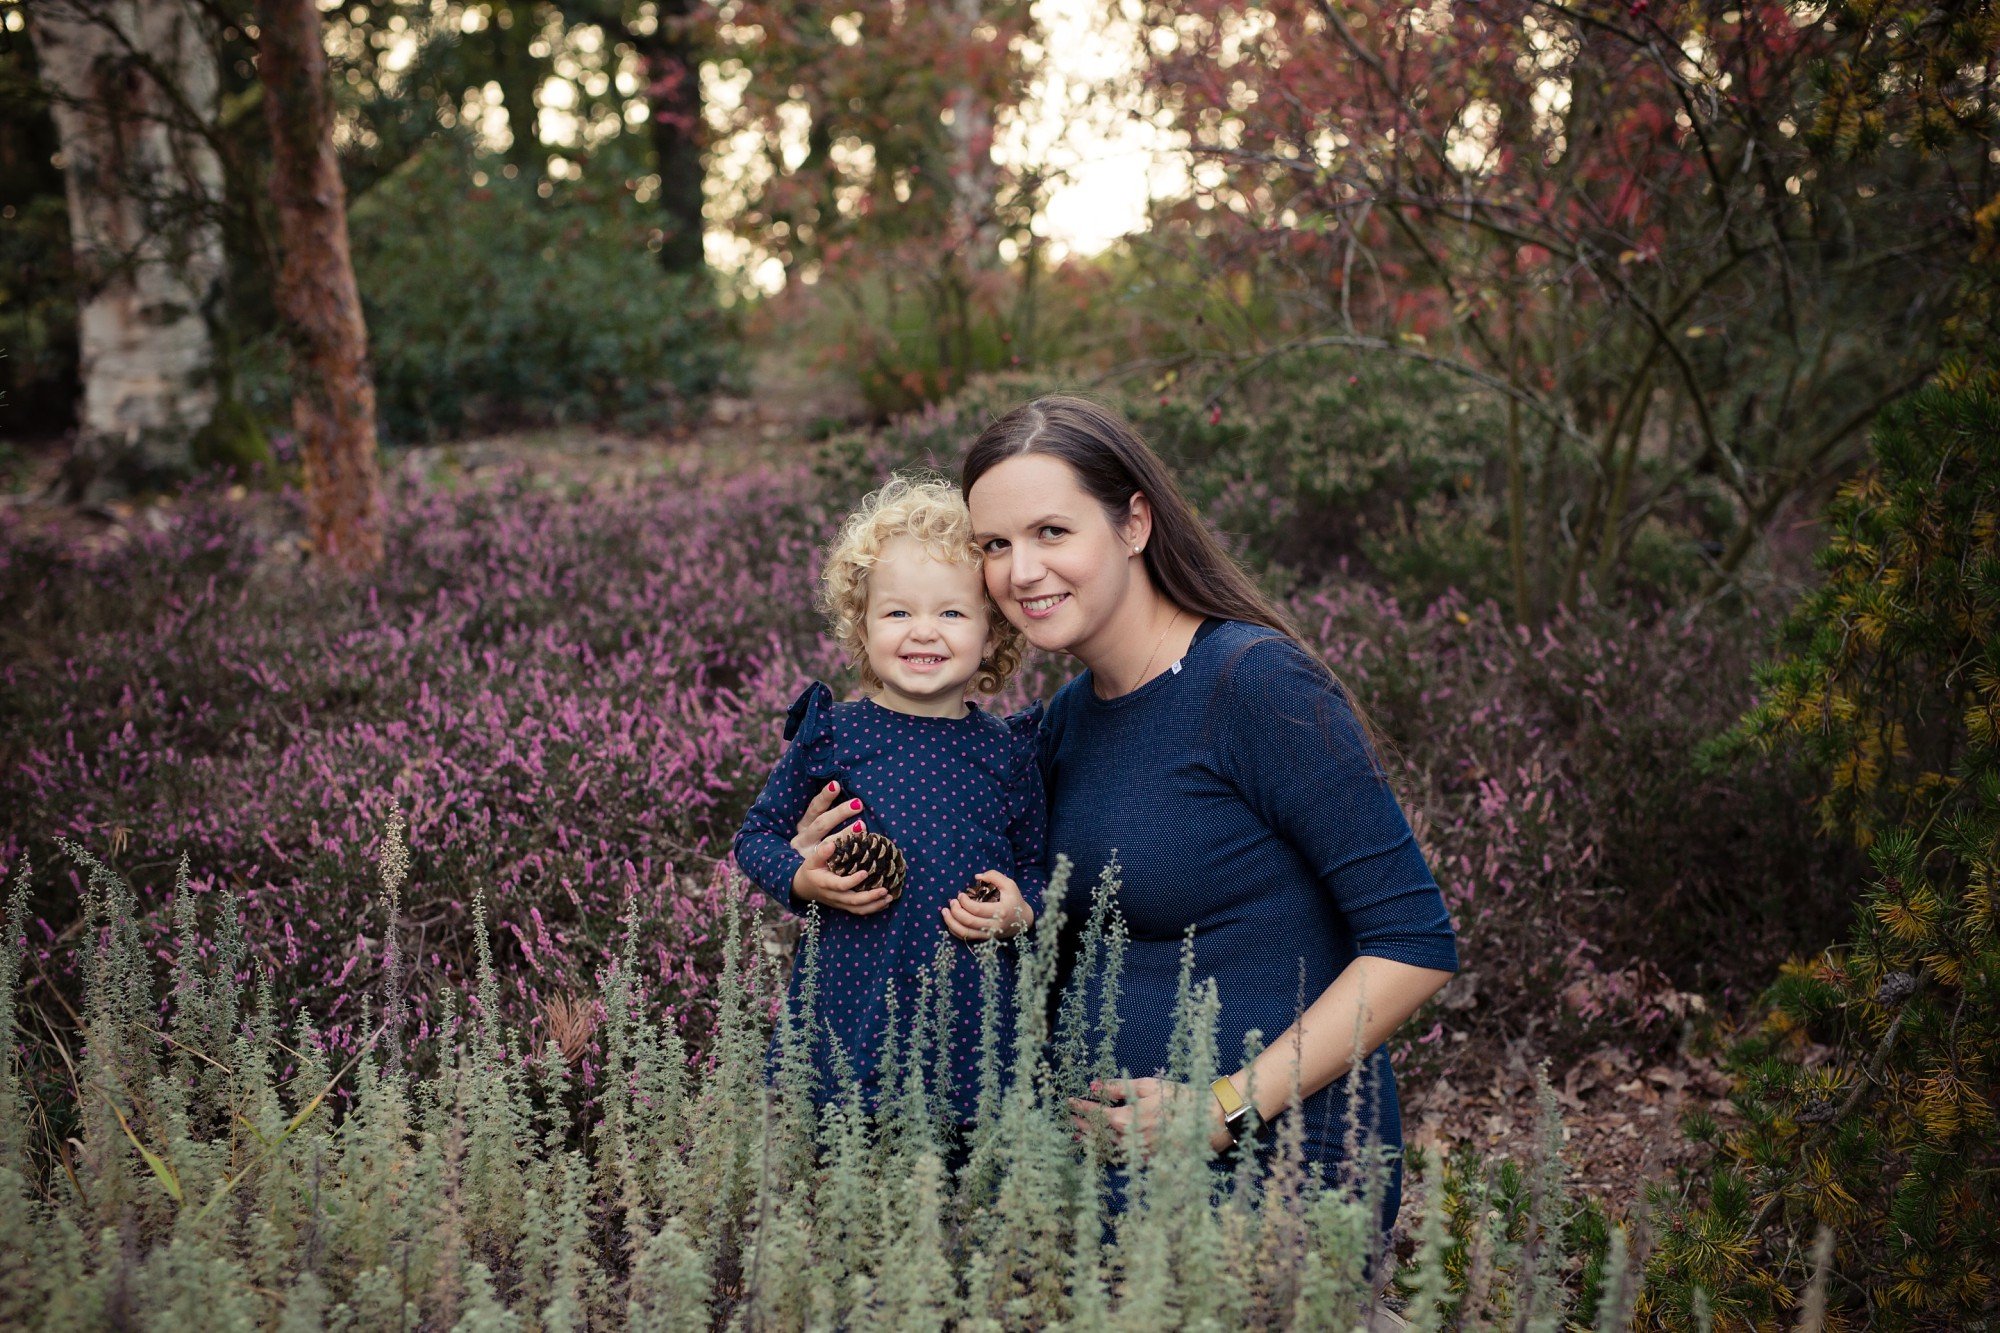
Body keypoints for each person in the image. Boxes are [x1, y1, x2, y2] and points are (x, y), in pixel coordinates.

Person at [960, 393, 1457, 1235]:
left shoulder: (1253, 683)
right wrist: (836, 850)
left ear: (1133, 524)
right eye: (994, 546)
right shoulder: (1066, 722)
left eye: (1052, 532)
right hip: (1100, 1172)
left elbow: (1414, 946)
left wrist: (1223, 1109)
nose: (1021, 571)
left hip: (1276, 1168)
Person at [732, 476, 1047, 1124]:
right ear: (863, 625)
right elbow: (755, 835)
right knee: (845, 1171)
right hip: (853, 998)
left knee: (962, 1184)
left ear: (991, 633)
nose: (922, 632)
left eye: (952, 612)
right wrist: (802, 878)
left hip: (969, 1019)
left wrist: (1021, 911)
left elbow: (1037, 868)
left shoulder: (1008, 752)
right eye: (898, 612)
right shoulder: (833, 735)